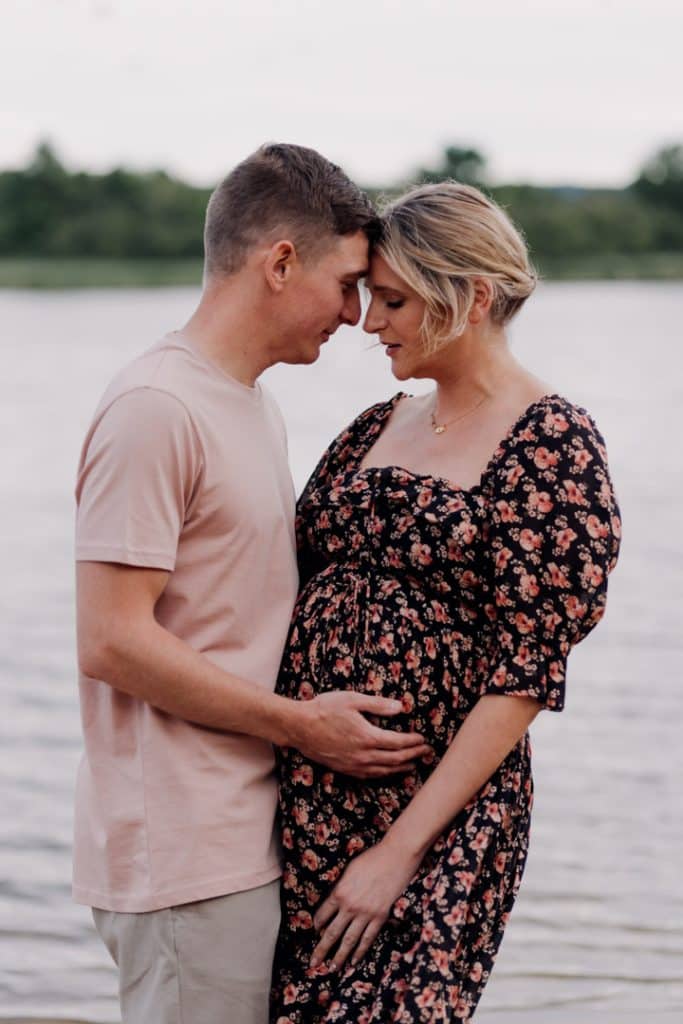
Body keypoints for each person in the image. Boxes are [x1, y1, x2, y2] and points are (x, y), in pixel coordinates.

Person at [73, 143, 430, 1024]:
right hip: (184, 852)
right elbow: (112, 638)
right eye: (346, 283)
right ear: (278, 263)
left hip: (244, 834)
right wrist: (303, 728)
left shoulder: (251, 405)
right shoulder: (156, 407)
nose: (354, 315)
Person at [271, 181, 621, 1022]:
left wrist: (397, 853)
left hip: (439, 816)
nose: (367, 321)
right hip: (309, 792)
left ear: (467, 298)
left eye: (391, 299)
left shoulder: (553, 446)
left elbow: (523, 677)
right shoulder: (371, 425)